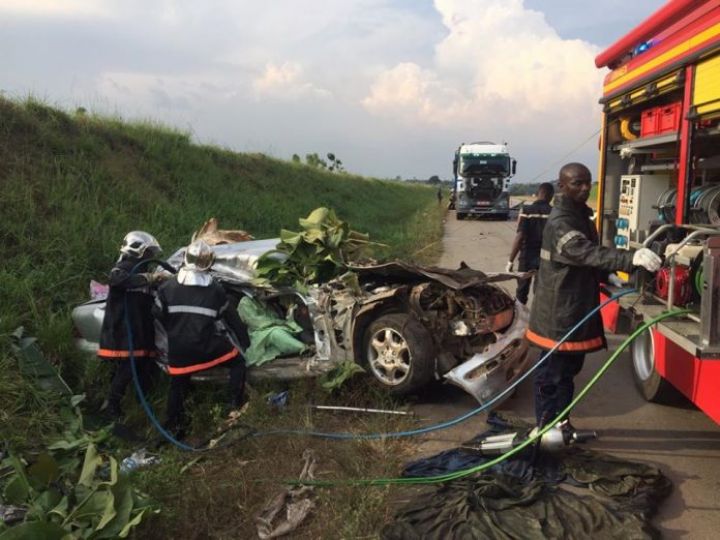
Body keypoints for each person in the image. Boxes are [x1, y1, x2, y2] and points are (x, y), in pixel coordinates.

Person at [527, 163, 662, 433]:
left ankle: (561, 424)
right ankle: (542, 428)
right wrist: (628, 259)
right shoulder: (560, 222)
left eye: (588, 182)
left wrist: (606, 274)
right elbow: (583, 251)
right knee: (551, 375)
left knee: (567, 373)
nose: (586, 188)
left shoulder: (580, 216)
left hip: (573, 308)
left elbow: (591, 258)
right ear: (562, 187)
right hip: (557, 313)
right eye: (578, 183)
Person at [153, 239, 249, 439]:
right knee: (238, 362)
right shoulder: (214, 289)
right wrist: (244, 341)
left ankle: (173, 426)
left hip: (178, 353)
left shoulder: (167, 288)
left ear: (185, 259)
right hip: (206, 348)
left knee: (178, 383)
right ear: (208, 263)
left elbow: (158, 315)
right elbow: (229, 318)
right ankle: (234, 405)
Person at [98, 231, 163, 420]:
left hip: (139, 331)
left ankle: (141, 405)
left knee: (143, 368)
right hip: (123, 331)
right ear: (138, 251)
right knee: (127, 369)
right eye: (149, 252)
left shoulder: (144, 272)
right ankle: (112, 406)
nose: (151, 257)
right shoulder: (123, 268)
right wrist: (149, 279)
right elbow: (117, 280)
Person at [505, 182, 554, 304]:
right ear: (551, 196)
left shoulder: (527, 210)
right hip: (546, 258)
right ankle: (538, 319)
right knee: (541, 292)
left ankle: (521, 319)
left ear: (538, 194)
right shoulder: (554, 213)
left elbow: (520, 236)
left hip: (526, 257)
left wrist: (510, 261)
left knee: (521, 292)